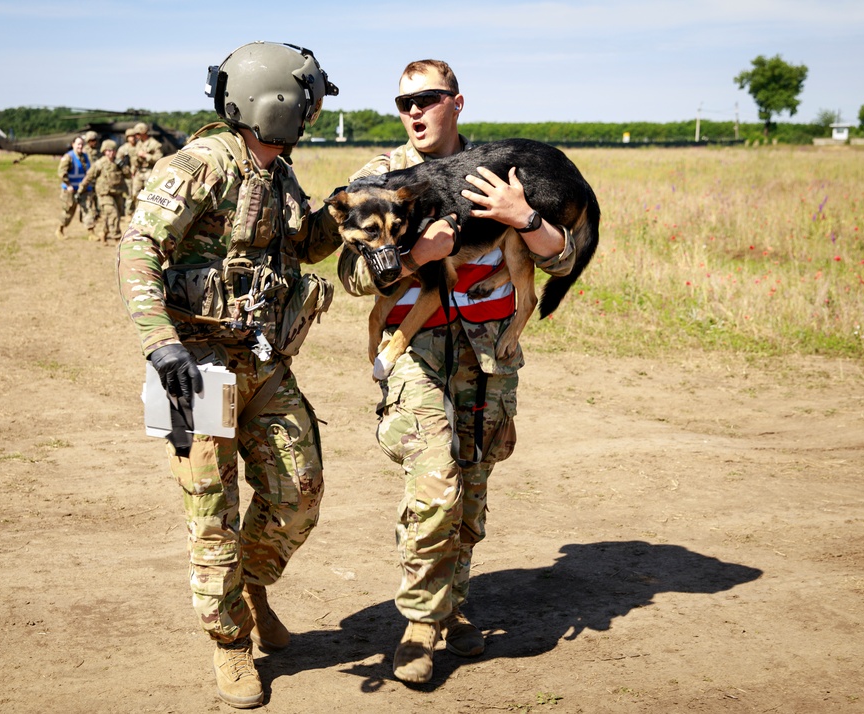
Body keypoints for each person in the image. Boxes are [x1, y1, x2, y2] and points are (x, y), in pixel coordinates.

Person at [116, 41, 341, 709]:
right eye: (309, 102)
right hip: (193, 369)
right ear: (279, 105)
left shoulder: (276, 174)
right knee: (212, 515)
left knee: (300, 493)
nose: (314, 113)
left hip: (265, 361)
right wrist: (160, 346)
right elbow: (138, 249)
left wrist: (349, 212)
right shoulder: (198, 167)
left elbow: (300, 247)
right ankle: (230, 645)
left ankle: (251, 583)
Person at [337, 59, 576, 684]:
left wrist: (525, 217)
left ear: (457, 102)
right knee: (436, 483)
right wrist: (418, 253)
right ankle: (419, 623)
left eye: (428, 99)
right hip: (415, 354)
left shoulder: (505, 171)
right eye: (403, 102)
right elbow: (353, 276)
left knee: (471, 489)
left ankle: (453, 606)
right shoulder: (379, 179)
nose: (414, 111)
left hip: (490, 355)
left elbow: (561, 258)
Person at [78, 139, 129, 245]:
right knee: (113, 214)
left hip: (117, 193)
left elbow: (128, 175)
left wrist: (123, 166)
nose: (111, 153)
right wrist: (80, 190)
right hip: (104, 194)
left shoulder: (118, 163)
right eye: (108, 151)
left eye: (113, 151)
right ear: (104, 151)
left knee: (112, 215)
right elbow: (89, 177)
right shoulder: (100, 164)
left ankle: (103, 233)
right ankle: (117, 238)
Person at [55, 135, 96, 240]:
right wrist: (68, 185)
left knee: (88, 210)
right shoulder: (68, 157)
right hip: (70, 190)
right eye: (78, 144)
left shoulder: (86, 157)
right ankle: (60, 230)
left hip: (83, 189)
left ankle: (91, 232)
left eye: (82, 144)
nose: (80, 146)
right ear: (73, 144)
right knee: (68, 211)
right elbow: (61, 172)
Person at [131, 121, 163, 199]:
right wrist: (133, 169)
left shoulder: (154, 144)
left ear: (144, 132)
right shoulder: (139, 144)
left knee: (149, 195)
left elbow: (159, 159)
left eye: (138, 134)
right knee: (135, 195)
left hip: (150, 172)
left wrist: (146, 155)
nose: (136, 136)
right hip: (139, 172)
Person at [116, 126, 139, 213]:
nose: (132, 138)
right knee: (129, 195)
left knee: (137, 194)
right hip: (128, 175)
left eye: (133, 136)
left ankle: (137, 211)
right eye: (130, 136)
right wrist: (125, 168)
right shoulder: (123, 148)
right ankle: (128, 212)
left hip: (138, 174)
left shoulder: (139, 146)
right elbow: (117, 160)